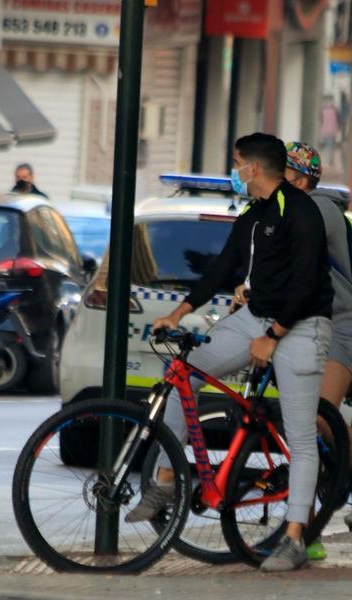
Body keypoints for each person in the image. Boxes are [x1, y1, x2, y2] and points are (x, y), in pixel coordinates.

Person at [126, 133, 335, 573]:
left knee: (299, 437)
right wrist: (180, 312)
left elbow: (307, 285)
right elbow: (221, 268)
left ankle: (295, 537)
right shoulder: (253, 216)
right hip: (255, 317)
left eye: (237, 162)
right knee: (188, 371)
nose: (234, 170)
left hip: (300, 325)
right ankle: (166, 480)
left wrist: (273, 335)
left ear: (254, 169)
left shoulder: (301, 213)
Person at [279, 142, 352, 540]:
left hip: (338, 328)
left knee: (319, 415)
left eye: (283, 174)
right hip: (303, 329)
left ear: (302, 178)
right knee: (298, 427)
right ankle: (303, 534)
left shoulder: (320, 210)